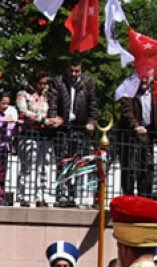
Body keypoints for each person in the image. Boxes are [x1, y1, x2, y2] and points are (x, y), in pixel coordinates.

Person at [46, 59, 97, 207]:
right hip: (63, 126)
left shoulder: (87, 82)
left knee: (76, 162)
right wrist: (54, 117)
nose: (74, 74)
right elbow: (53, 100)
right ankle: (61, 193)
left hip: (80, 127)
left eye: (77, 71)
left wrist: (92, 122)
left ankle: (72, 194)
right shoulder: (58, 81)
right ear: (67, 70)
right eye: (71, 71)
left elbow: (93, 103)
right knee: (62, 161)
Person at [118, 75, 157, 198]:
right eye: (141, 76)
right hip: (132, 136)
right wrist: (135, 126)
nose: (144, 80)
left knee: (147, 168)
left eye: (147, 77)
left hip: (148, 136)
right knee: (130, 169)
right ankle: (129, 197)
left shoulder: (156, 93)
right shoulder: (129, 91)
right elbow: (126, 111)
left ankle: (145, 197)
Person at [16, 71, 53, 206]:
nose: (43, 86)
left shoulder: (47, 96)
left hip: (44, 135)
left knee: (43, 166)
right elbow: (23, 112)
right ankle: (24, 196)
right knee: (28, 166)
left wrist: (53, 120)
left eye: (45, 83)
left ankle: (41, 196)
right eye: (40, 83)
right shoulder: (23, 95)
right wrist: (41, 119)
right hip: (28, 134)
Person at [0, 93, 18, 204]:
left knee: (2, 172)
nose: (5, 106)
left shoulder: (7, 115)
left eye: (7, 104)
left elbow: (12, 130)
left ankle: (0, 194)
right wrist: (3, 123)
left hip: (5, 147)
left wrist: (14, 123)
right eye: (3, 103)